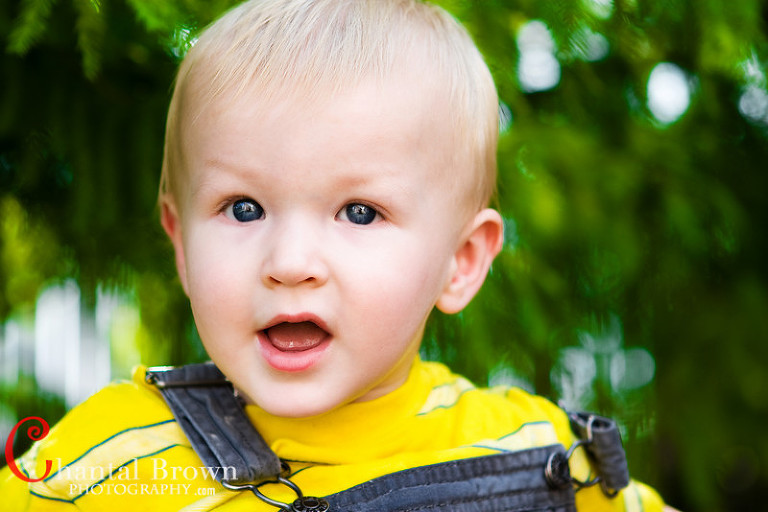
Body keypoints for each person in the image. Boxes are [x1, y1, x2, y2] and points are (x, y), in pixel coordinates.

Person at [1, 0, 673, 510]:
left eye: (359, 212)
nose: (290, 263)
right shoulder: (109, 465)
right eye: (243, 208)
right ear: (180, 243)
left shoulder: (535, 453)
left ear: (461, 261)